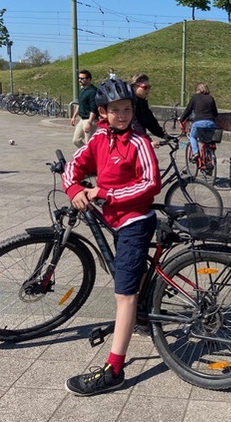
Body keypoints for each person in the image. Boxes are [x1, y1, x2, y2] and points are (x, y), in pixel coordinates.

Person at [62, 78, 161, 396]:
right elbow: (74, 167)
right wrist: (75, 189)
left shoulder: (138, 142)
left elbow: (150, 184)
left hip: (135, 222)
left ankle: (114, 369)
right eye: (116, 110)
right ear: (102, 112)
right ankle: (144, 313)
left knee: (124, 295)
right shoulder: (99, 139)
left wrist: (105, 193)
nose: (123, 114)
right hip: (114, 221)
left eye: (127, 109)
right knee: (131, 276)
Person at [179, 82, 218, 161]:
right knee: (208, 140)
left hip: (198, 122)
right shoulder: (211, 98)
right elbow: (215, 113)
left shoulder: (195, 97)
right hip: (211, 123)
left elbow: (188, 110)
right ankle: (209, 156)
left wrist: (181, 119)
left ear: (197, 90)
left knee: (193, 136)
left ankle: (195, 153)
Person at [129, 74, 167, 146]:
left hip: (140, 139)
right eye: (145, 87)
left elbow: (151, 122)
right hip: (132, 141)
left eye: (149, 87)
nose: (148, 90)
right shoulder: (130, 103)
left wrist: (164, 135)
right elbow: (135, 124)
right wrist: (148, 140)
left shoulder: (142, 103)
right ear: (135, 87)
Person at [71, 70, 98, 148]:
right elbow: (79, 104)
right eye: (79, 78)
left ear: (89, 79)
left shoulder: (93, 92)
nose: (80, 80)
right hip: (82, 119)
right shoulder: (82, 90)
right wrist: (74, 117)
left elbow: (93, 109)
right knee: (76, 140)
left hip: (90, 120)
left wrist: (89, 123)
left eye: (82, 78)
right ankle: (86, 154)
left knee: (89, 143)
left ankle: (91, 157)